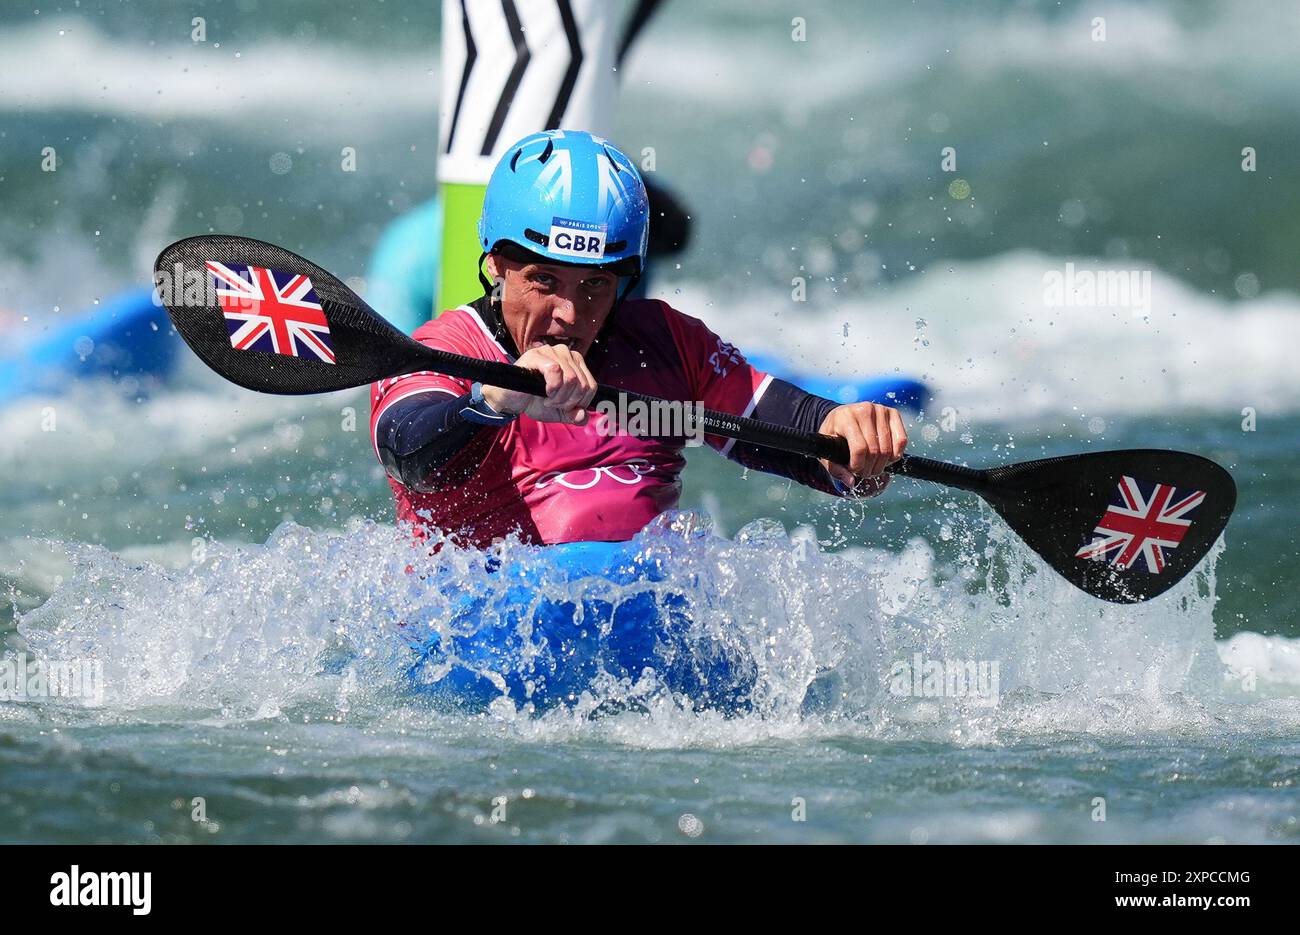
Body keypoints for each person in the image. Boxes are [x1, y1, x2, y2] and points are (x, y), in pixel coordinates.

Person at [369, 129, 906, 548]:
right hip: (486, 633)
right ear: (497, 264)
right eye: (545, 281)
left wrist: (843, 441)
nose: (569, 314)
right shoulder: (442, 351)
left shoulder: (666, 340)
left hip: (644, 619)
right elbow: (408, 456)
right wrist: (492, 400)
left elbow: (779, 423)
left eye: (596, 284)